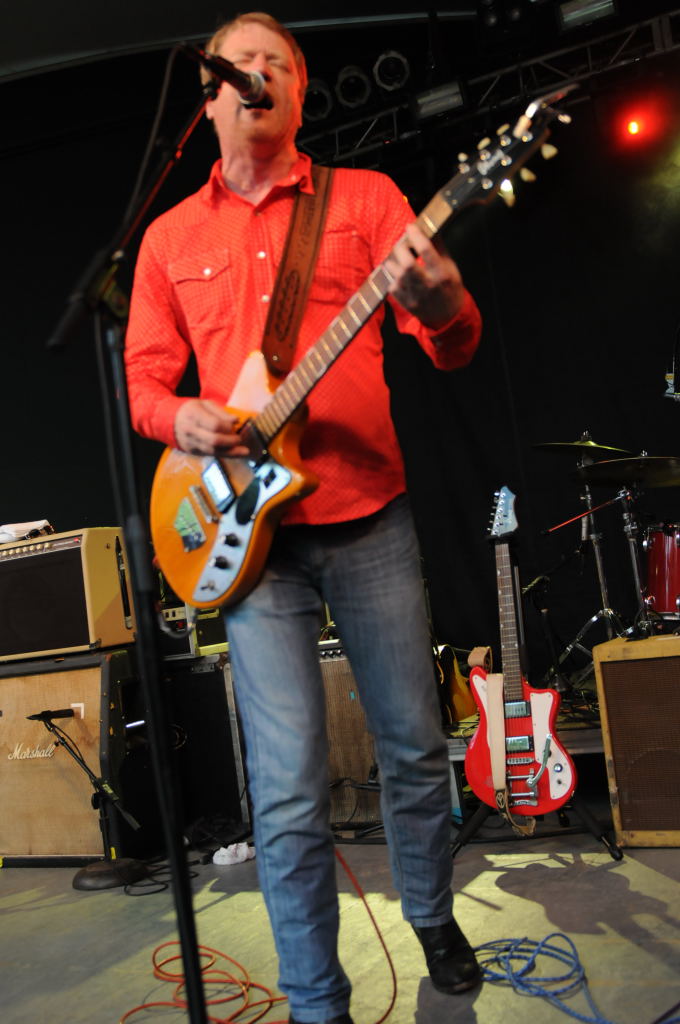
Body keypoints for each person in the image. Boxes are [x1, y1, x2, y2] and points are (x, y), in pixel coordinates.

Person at [125, 12, 483, 1024]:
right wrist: (182, 418)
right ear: (209, 96)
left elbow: (450, 343)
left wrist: (442, 298)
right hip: (247, 543)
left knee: (412, 743)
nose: (259, 75)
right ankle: (316, 1001)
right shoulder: (167, 238)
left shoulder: (364, 201)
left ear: (298, 87)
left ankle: (430, 913)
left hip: (367, 514)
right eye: (240, 64)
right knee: (284, 786)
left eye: (276, 62)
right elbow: (143, 383)